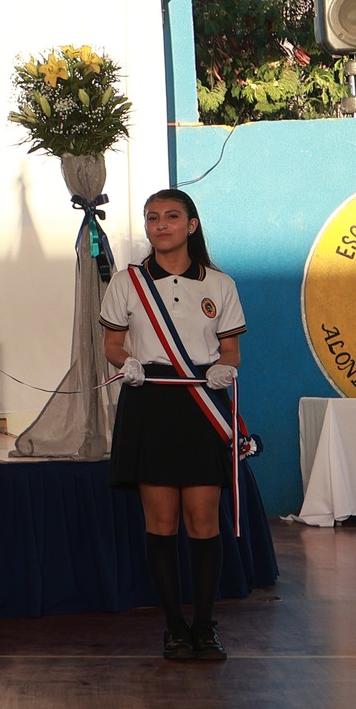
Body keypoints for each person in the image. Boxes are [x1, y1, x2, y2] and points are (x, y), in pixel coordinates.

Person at [100, 187, 245, 661]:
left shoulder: (219, 283)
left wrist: (225, 368)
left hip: (202, 401)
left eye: (170, 217)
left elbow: (231, 350)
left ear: (191, 224)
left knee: (203, 520)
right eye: (152, 218)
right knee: (160, 522)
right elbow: (112, 345)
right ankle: (174, 627)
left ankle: (205, 625)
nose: (160, 225)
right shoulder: (128, 281)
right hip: (151, 402)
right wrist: (129, 363)